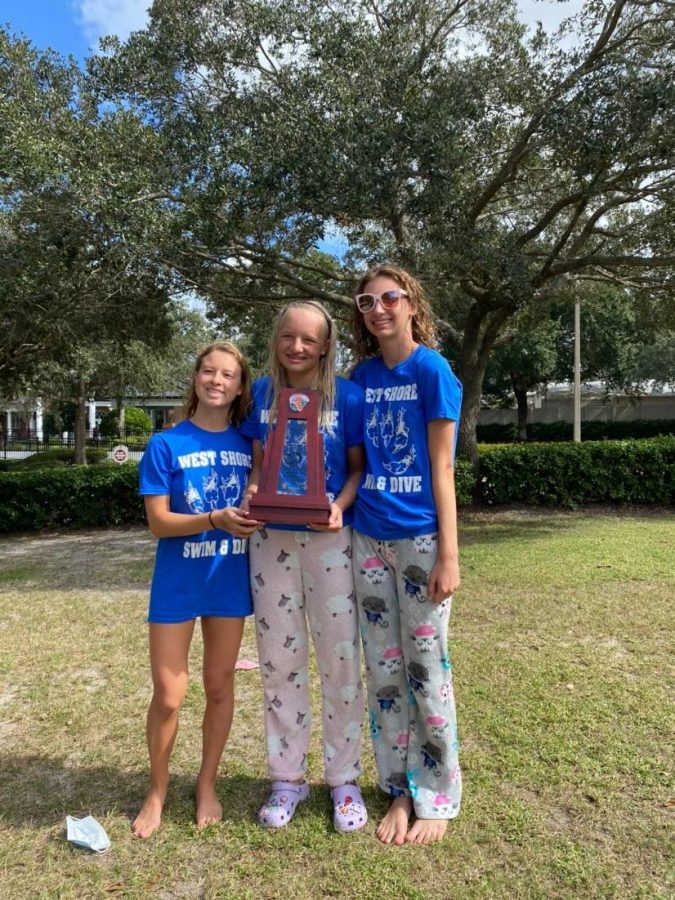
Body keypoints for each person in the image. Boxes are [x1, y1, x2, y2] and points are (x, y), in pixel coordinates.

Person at [242, 300, 368, 833]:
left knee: (341, 660)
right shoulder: (261, 395)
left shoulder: (350, 396)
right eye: (288, 337)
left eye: (308, 339)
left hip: (330, 542)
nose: (297, 347)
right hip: (271, 542)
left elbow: (357, 470)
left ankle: (344, 780)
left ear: (326, 344)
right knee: (278, 661)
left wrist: (340, 504)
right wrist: (252, 494)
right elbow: (255, 465)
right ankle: (286, 778)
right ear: (277, 340)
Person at [350, 265, 463, 846]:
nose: (378, 309)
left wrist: (449, 552)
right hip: (366, 535)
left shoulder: (432, 371)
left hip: (419, 538)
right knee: (386, 673)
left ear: (411, 304)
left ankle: (437, 792)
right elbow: (353, 459)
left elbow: (442, 467)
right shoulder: (361, 377)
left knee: (426, 669)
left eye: (389, 298)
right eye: (368, 301)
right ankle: (398, 788)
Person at [133, 341, 260, 838]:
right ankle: (157, 789)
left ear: (239, 385)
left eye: (228, 374)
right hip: (177, 584)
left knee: (219, 686)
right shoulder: (166, 445)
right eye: (209, 371)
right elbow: (158, 523)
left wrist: (255, 498)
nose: (217, 381)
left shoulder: (250, 445)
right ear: (196, 377)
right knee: (168, 694)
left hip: (228, 581)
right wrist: (215, 517)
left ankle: (207, 783)